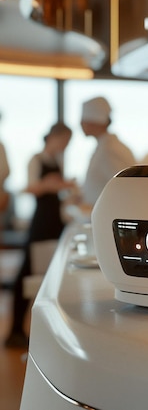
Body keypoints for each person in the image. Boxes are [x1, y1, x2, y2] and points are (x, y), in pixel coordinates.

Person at [5, 122, 76, 348]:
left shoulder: (57, 161)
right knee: (27, 272)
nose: (66, 145)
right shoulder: (36, 159)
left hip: (56, 222)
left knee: (50, 274)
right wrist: (48, 185)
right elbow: (29, 188)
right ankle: (15, 330)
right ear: (54, 137)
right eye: (65, 140)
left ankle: (48, 331)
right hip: (41, 224)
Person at [80, 96, 136, 207]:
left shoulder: (110, 150)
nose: (80, 124)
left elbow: (125, 189)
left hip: (107, 217)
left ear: (94, 122)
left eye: (83, 120)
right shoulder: (104, 146)